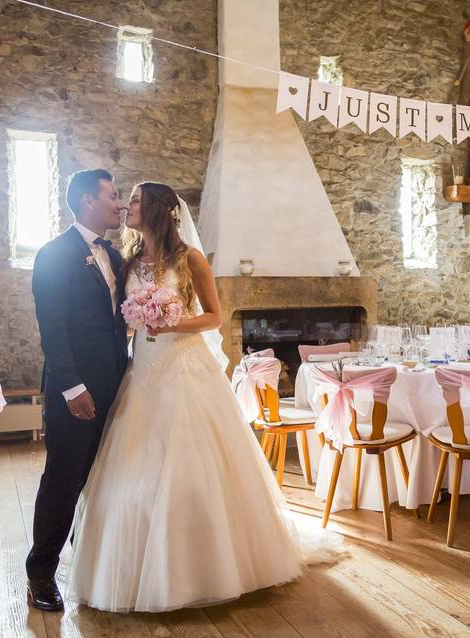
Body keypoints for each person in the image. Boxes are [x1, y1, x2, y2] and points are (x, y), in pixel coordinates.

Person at [66, 182, 340, 612]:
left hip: (186, 368)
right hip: (144, 373)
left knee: (194, 463)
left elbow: (214, 317)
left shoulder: (190, 258)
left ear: (156, 209)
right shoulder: (130, 261)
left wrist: (173, 324)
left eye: (135, 200)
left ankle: (213, 566)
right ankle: (138, 567)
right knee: (136, 464)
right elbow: (117, 318)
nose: (126, 206)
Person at [26, 169, 129, 611]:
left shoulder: (115, 255)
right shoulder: (54, 254)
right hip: (77, 390)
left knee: (100, 474)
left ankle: (87, 557)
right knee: (64, 478)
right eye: (111, 195)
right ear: (87, 200)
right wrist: (72, 388)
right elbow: (53, 329)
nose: (119, 203)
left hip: (117, 384)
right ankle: (41, 573)